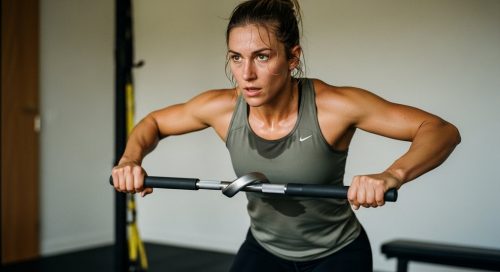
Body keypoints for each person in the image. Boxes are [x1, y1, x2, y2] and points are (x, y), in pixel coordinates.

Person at [111, 0, 461, 271]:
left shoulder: (334, 106)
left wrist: (392, 174)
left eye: (261, 57)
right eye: (236, 58)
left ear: (292, 57)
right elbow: (153, 123)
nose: (245, 74)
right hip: (263, 248)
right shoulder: (221, 108)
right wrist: (130, 160)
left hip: (336, 254)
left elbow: (441, 130)